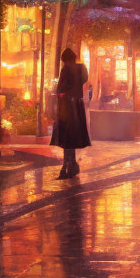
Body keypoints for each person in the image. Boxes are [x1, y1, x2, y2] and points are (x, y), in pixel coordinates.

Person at [50, 49, 91, 180]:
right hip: (77, 107)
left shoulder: (66, 69)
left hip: (66, 107)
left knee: (66, 138)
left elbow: (61, 88)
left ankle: (67, 166)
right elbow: (83, 80)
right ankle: (70, 165)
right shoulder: (81, 69)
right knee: (72, 138)